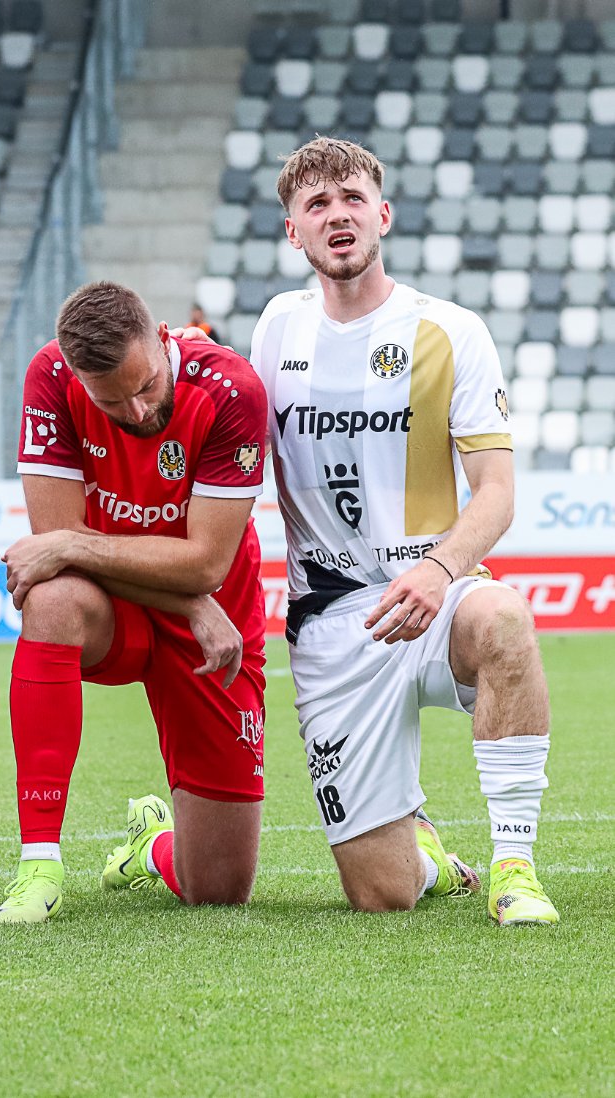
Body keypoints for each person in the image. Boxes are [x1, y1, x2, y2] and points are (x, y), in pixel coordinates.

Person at [245, 137, 557, 924]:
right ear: (293, 230)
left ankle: (514, 866)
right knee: (382, 895)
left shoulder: (450, 331)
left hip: (434, 595)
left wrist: (441, 570)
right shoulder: (277, 328)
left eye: (352, 199)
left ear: (382, 215)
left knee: (505, 619)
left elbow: (496, 492)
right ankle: (425, 853)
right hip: (332, 626)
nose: (338, 215)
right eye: (317, 204)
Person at [0, 280, 268, 923]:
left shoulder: (232, 389)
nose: (137, 412)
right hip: (128, 609)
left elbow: (206, 563)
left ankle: (151, 847)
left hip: (217, 623)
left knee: (218, 889)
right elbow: (54, 549)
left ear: (162, 340)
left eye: (146, 386)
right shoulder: (51, 377)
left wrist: (192, 598)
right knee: (51, 600)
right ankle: (39, 866)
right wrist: (191, 602)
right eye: (110, 401)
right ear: (78, 379)